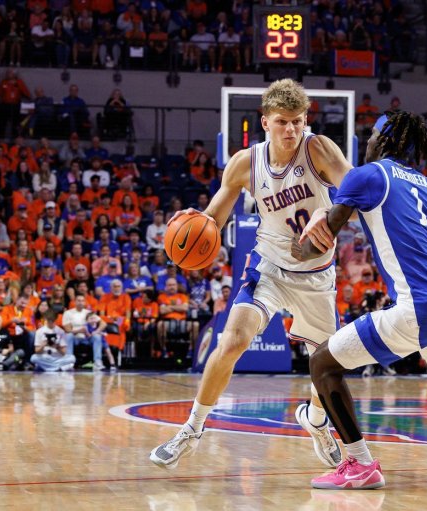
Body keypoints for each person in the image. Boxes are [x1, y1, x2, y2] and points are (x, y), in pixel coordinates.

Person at [293, 111, 427, 489]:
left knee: (322, 364)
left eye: (372, 135)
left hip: (419, 305)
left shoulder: (369, 174)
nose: (368, 141)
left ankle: (359, 463)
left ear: (385, 139)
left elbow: (320, 241)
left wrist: (299, 246)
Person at [149, 79, 354, 471]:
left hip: (316, 275)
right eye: (282, 122)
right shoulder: (246, 162)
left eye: (297, 121)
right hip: (270, 268)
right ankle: (191, 430)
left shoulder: (319, 149)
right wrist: (190, 224)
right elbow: (213, 217)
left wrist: (325, 214)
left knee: (326, 370)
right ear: (265, 122)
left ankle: (315, 422)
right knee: (231, 342)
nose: (291, 130)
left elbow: (357, 192)